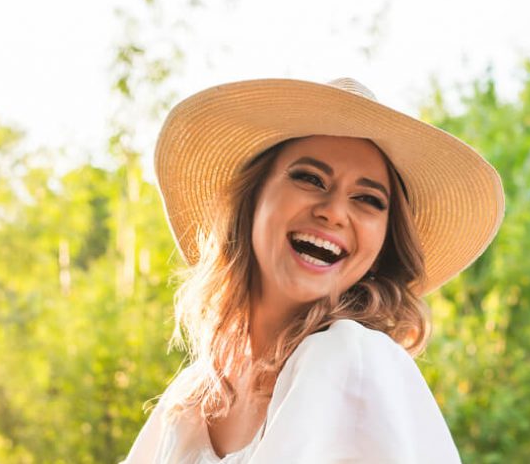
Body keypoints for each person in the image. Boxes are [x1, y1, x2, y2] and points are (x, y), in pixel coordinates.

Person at [122, 77, 505, 463]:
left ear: (384, 244)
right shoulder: (191, 397)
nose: (334, 212)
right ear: (252, 197)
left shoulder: (348, 356)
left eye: (368, 199)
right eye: (309, 178)